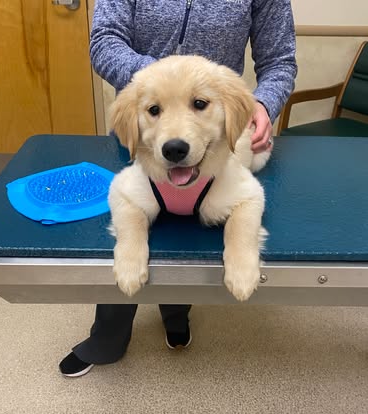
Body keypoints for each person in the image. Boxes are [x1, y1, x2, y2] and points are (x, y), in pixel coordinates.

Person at [59, 0, 297, 377]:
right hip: (147, 132)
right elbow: (105, 40)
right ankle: (107, 338)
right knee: (131, 241)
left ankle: (176, 315)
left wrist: (262, 104)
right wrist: (154, 84)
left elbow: (280, 60)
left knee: (192, 238)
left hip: (216, 141)